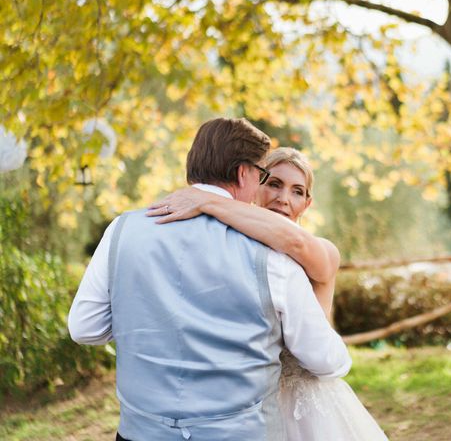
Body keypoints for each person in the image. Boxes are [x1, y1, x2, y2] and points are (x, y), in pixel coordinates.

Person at [68, 118, 351, 441]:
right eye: (264, 177)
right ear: (245, 173)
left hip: (139, 433)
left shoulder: (122, 229)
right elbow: (325, 360)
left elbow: (85, 328)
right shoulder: (272, 255)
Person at [147, 146, 389, 441]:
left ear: (307, 203)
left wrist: (206, 200)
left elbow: (294, 242)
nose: (283, 199)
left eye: (297, 191)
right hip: (245, 403)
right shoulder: (233, 249)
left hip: (308, 405)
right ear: (252, 185)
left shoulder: (321, 250)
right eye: (274, 184)